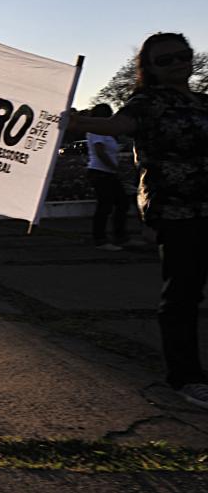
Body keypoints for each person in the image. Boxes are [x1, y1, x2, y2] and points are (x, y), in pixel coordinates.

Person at [69, 32, 208, 410]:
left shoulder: (203, 102)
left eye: (182, 55)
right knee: (183, 292)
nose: (177, 63)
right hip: (176, 210)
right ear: (149, 68)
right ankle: (186, 377)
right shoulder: (147, 102)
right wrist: (77, 122)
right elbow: (117, 127)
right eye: (165, 60)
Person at [84, 103, 135, 250]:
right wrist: (115, 167)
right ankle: (100, 239)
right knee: (105, 206)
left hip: (108, 173)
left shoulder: (105, 132)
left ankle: (120, 237)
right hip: (99, 172)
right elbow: (100, 152)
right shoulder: (96, 130)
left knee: (121, 203)